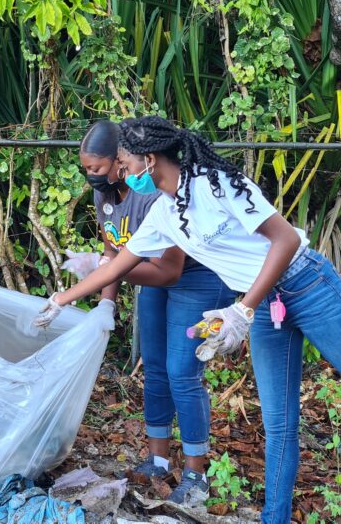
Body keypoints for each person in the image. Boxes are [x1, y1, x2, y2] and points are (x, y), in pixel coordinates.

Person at [34, 116, 341, 524]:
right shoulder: (162, 214)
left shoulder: (217, 184)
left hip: (309, 288)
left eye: (127, 164)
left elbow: (285, 240)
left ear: (150, 160)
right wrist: (62, 298)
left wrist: (242, 308)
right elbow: (118, 265)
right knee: (279, 423)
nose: (124, 173)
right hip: (264, 307)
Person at [62, 121, 236, 505]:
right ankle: (158, 459)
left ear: (122, 160)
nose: (92, 176)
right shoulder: (105, 196)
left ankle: (196, 474)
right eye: (86, 169)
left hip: (196, 276)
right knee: (154, 365)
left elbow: (168, 268)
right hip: (151, 277)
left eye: (100, 167)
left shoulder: (154, 195)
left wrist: (99, 267)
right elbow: (113, 255)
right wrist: (106, 302)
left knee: (182, 371)